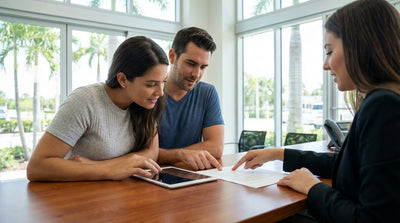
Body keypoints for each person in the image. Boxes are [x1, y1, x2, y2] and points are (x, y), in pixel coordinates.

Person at [233, 0, 400, 222]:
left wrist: (313, 188)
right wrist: (277, 153)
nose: (325, 64)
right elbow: (344, 166)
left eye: (329, 51)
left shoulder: (382, 106)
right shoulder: (385, 101)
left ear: (360, 47)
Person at [27, 36, 168, 181]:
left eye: (163, 82)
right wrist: (109, 170)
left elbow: (151, 154)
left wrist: (97, 165)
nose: (161, 92)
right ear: (123, 80)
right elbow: (36, 167)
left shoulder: (146, 102)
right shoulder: (85, 100)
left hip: (119, 194)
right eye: (151, 84)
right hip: (79, 195)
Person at [157, 27, 224, 170]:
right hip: (151, 177)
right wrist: (181, 154)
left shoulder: (207, 93)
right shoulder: (151, 93)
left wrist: (169, 154)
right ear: (172, 56)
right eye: (191, 64)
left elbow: (216, 147)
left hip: (190, 174)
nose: (196, 74)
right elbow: (143, 153)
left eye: (203, 67)